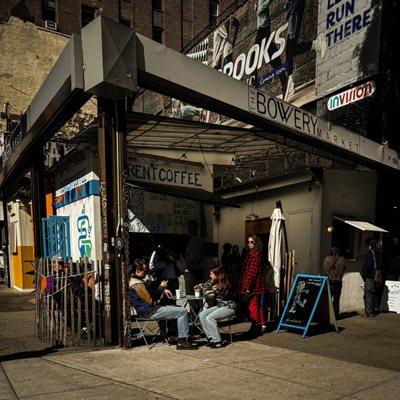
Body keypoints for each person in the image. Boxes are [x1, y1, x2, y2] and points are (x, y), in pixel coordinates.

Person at [129, 259, 197, 350]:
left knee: (177, 307)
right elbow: (151, 301)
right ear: (138, 270)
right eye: (145, 271)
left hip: (149, 310)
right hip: (150, 311)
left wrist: (162, 289)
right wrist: (161, 288)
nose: (146, 273)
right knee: (182, 311)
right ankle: (182, 341)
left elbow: (150, 289)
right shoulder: (137, 284)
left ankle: (174, 335)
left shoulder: (136, 281)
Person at [197, 267, 236, 348]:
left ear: (218, 275)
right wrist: (203, 285)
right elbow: (208, 290)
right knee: (202, 315)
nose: (210, 276)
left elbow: (207, 294)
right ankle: (211, 337)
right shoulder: (217, 284)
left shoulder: (222, 285)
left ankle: (217, 341)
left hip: (230, 307)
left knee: (210, 318)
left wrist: (203, 287)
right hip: (221, 306)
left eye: (211, 274)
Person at [239, 235, 266, 337]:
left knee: (253, 306)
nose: (250, 244)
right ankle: (258, 326)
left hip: (254, 287)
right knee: (256, 306)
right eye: (248, 242)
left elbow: (252, 273)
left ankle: (255, 327)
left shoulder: (255, 255)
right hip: (255, 286)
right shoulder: (253, 253)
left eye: (252, 242)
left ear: (256, 243)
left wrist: (247, 287)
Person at [361, 238, 383, 317]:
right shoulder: (378, 253)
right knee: (371, 294)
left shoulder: (371, 253)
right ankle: (369, 311)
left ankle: (369, 312)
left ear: (370, 246)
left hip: (370, 277)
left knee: (368, 294)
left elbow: (367, 266)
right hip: (374, 277)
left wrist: (365, 275)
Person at [323, 247, 345, 319]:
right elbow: (343, 270)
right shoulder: (342, 259)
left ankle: (326, 314)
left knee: (328, 298)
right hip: (338, 281)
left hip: (329, 280)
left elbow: (325, 269)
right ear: (338, 251)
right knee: (336, 299)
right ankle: (335, 315)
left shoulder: (327, 259)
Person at [185, 220, 204, 287]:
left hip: (195, 270)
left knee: (194, 290)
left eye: (191, 227)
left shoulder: (195, 239)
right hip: (195, 269)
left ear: (195, 227)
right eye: (188, 227)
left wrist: (188, 268)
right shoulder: (195, 239)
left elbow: (194, 256)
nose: (189, 229)